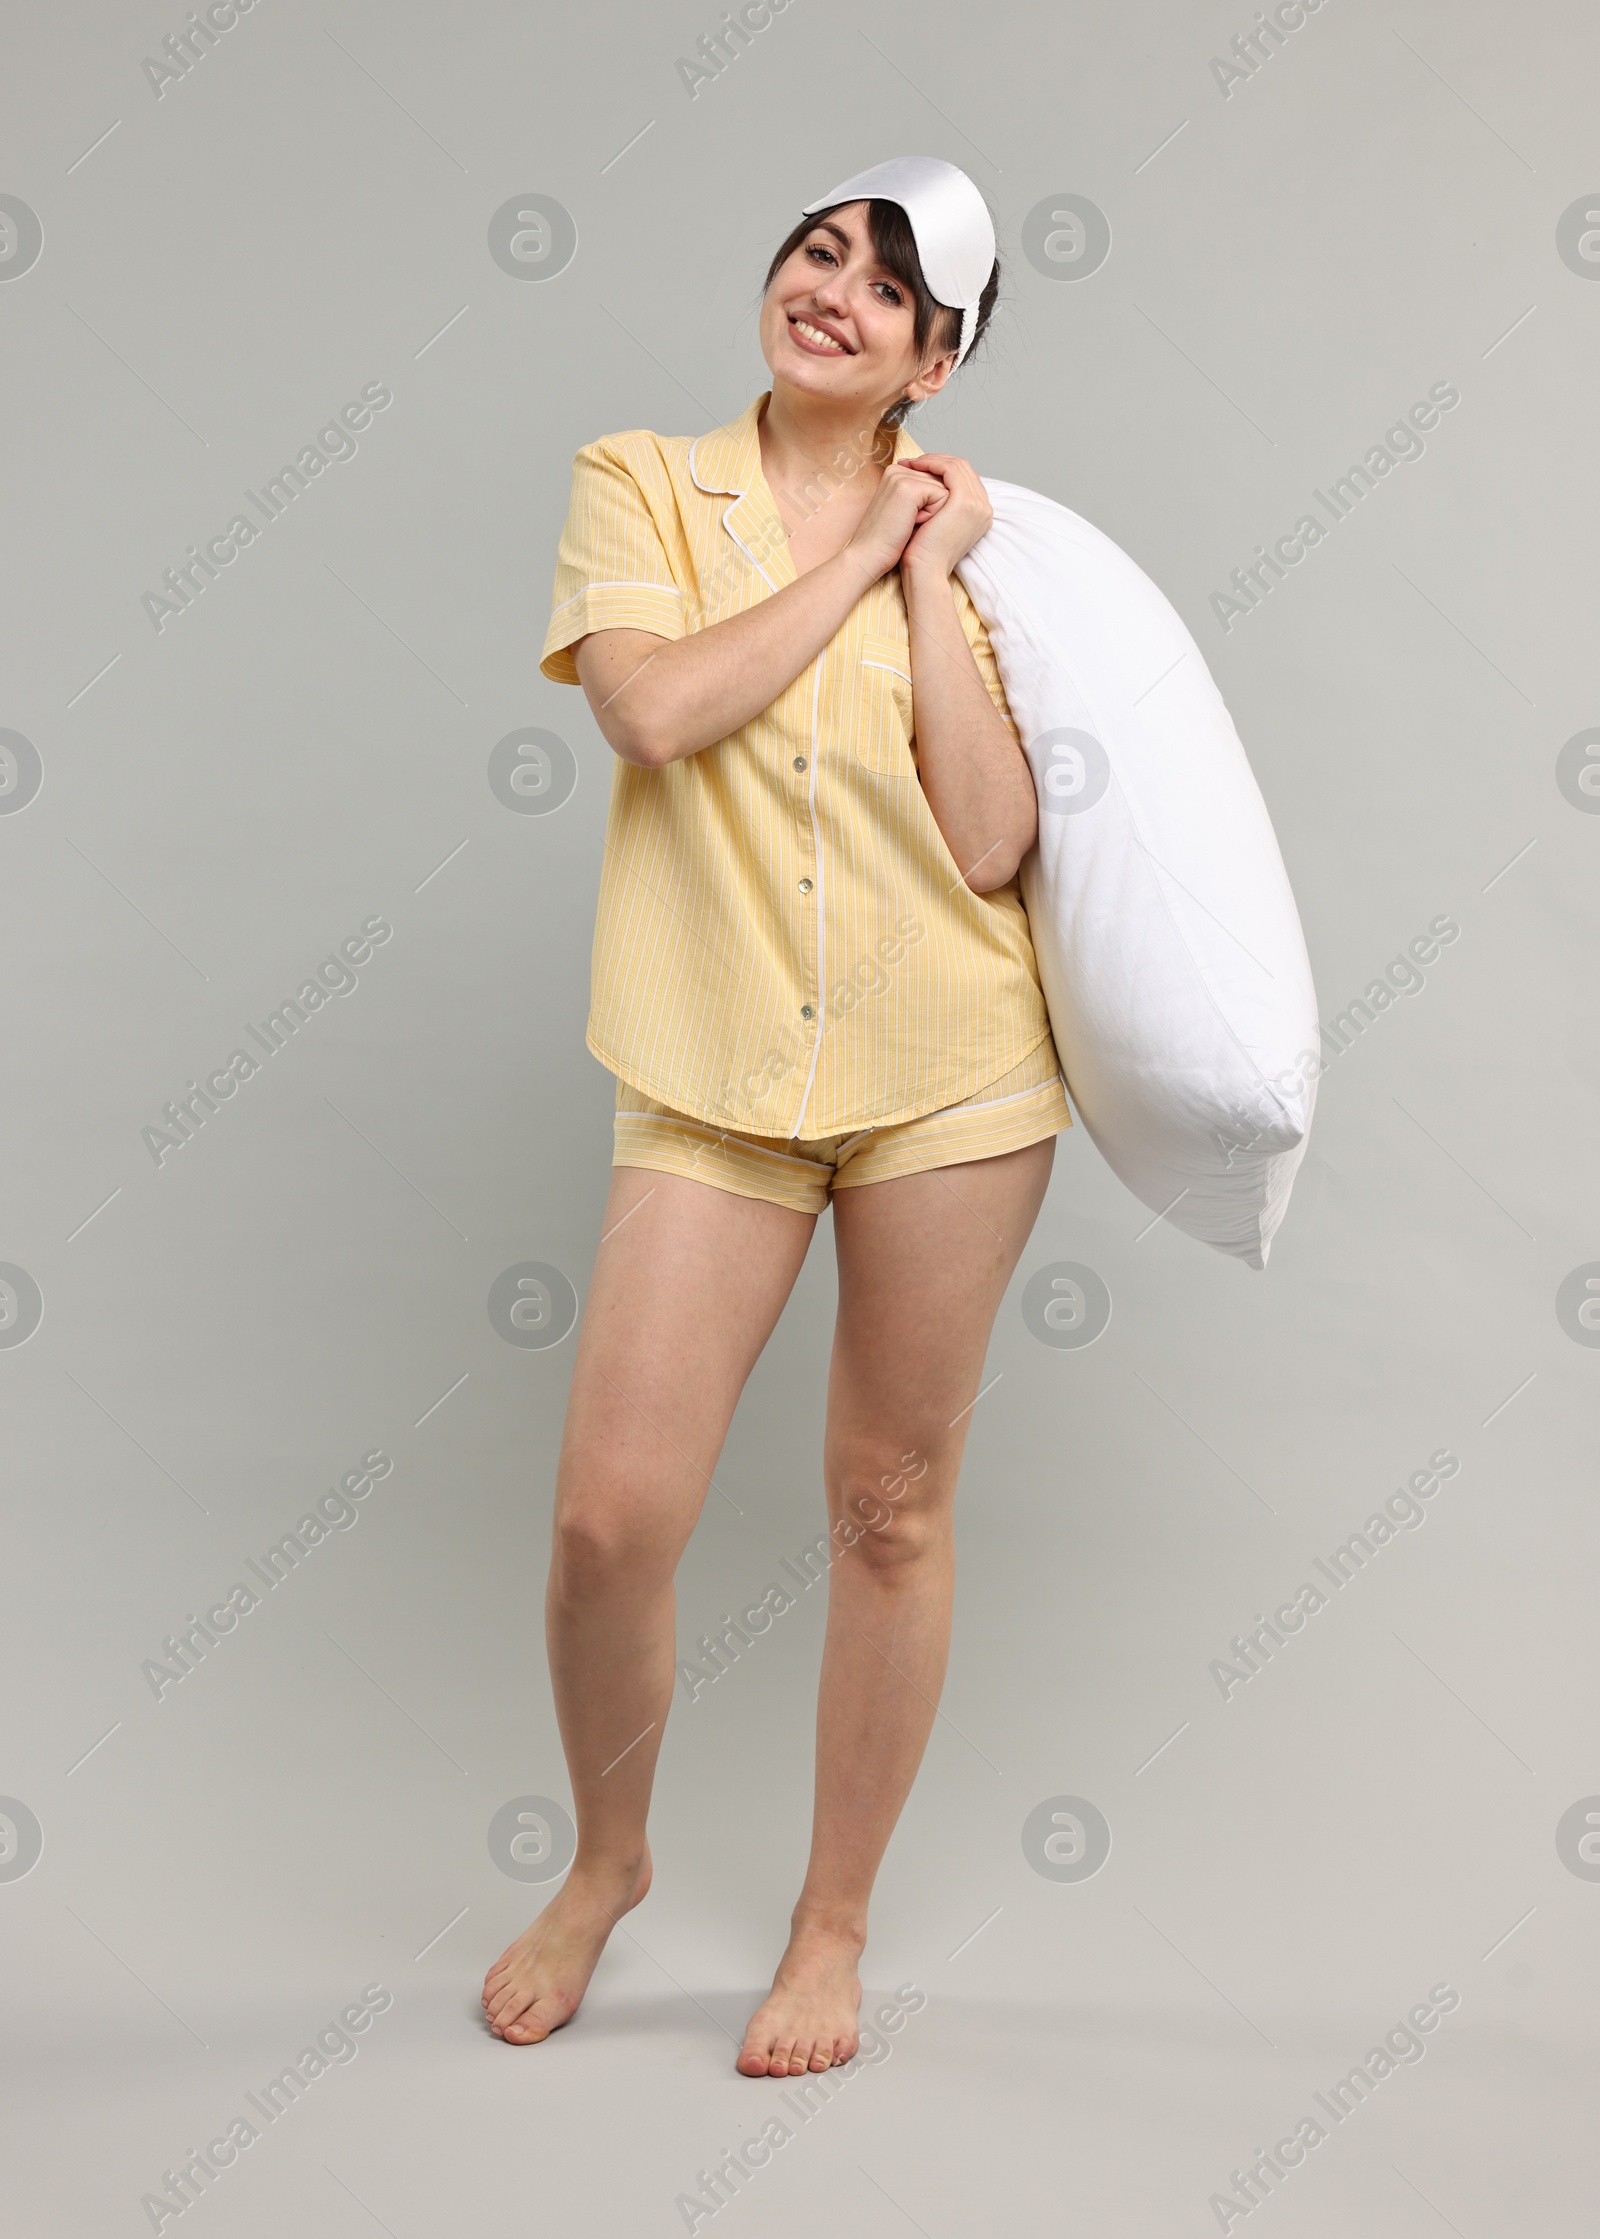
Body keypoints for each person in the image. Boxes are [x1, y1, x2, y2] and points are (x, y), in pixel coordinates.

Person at [482, 159, 1072, 2077]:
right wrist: (852, 559)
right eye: (821, 250)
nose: (837, 292)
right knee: (606, 1525)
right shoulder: (643, 481)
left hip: (949, 1073)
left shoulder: (977, 551)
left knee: (890, 1508)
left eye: (891, 288)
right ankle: (609, 1864)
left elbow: (992, 842)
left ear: (938, 359)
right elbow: (654, 715)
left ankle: (831, 1929)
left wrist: (926, 565)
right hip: (716, 1069)